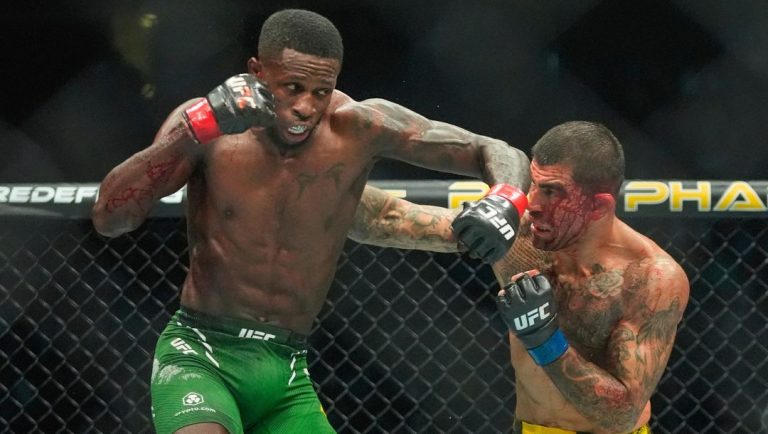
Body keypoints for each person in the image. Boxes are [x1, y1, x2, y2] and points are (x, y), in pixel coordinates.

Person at [91, 9, 529, 434]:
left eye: (321, 91)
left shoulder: (359, 126)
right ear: (258, 71)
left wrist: (506, 199)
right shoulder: (209, 125)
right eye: (293, 86)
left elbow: (496, 151)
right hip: (201, 353)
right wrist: (196, 128)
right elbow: (110, 218)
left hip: (287, 370)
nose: (306, 107)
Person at [492, 121, 690, 434]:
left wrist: (542, 337)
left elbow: (621, 415)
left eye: (552, 192)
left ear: (598, 206)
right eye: (533, 183)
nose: (532, 203)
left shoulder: (651, 278)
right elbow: (398, 220)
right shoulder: (517, 235)